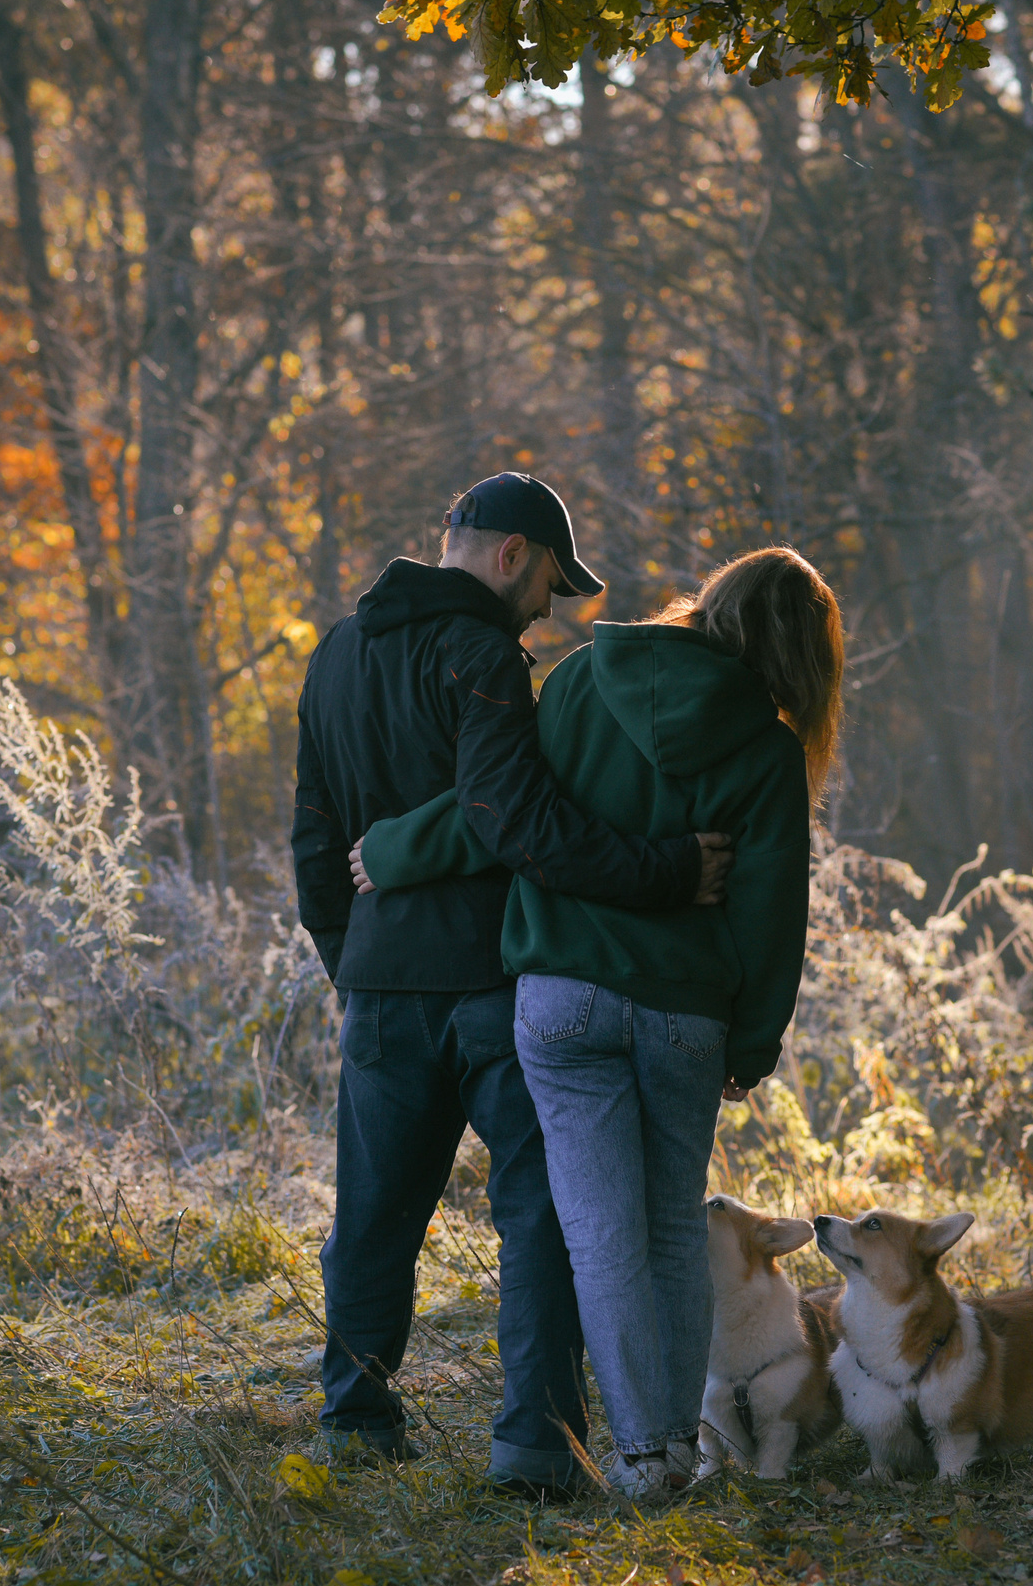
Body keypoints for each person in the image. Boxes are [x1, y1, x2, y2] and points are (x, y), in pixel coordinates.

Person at [354, 546, 844, 1503]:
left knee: (601, 1237)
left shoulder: (585, 677)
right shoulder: (769, 747)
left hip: (562, 999)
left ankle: (640, 1457)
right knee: (668, 1230)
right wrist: (753, 1043)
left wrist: (392, 847)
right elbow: (773, 912)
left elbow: (501, 804)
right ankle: (669, 1454)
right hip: (685, 1011)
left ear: (716, 602)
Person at [290, 471, 734, 1502]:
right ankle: (536, 1446)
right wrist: (669, 870)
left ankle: (353, 1420)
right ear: (509, 555)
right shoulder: (482, 650)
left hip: (381, 989)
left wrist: (348, 965)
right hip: (494, 979)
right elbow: (515, 819)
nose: (546, 608)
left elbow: (314, 840)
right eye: (547, 584)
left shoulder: (333, 656)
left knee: (371, 1215)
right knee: (536, 1212)